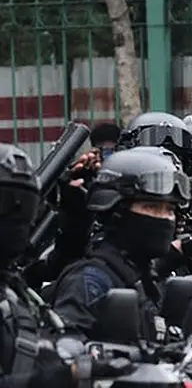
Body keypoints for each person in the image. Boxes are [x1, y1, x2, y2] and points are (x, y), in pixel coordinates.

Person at [0, 143, 127, 387]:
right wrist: (61, 377)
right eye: (5, 204)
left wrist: (76, 211)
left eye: (23, 206)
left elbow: (58, 265)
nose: (14, 217)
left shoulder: (15, 287)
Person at [46, 146, 192, 341]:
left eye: (169, 210)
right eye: (151, 207)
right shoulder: (90, 280)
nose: (164, 219)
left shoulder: (142, 274)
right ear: (117, 213)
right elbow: (65, 350)